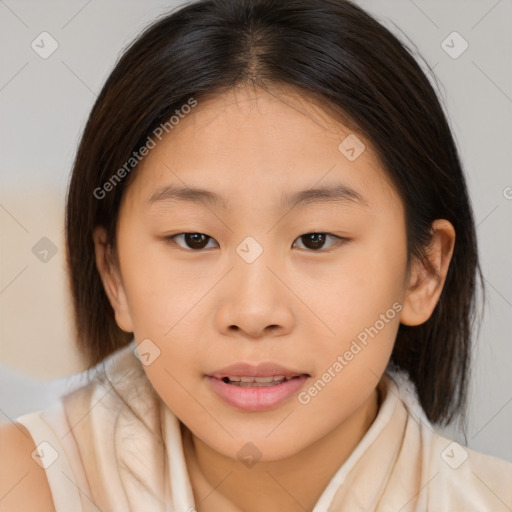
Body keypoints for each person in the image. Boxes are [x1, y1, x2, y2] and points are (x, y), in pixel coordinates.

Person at [1, 0, 511, 510]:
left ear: (423, 272)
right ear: (113, 274)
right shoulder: (28, 485)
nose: (253, 312)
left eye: (316, 239)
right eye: (194, 239)